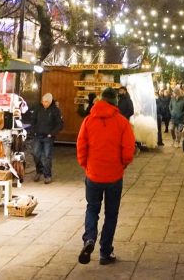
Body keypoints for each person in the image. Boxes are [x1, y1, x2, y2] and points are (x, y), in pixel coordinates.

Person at [77, 86, 136, 266]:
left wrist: (86, 165)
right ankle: (105, 251)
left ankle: (89, 239)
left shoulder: (88, 121)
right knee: (111, 213)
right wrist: (123, 164)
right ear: (115, 102)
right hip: (114, 175)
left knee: (92, 208)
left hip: (93, 174)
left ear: (101, 100)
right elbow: (128, 149)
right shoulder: (122, 122)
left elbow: (81, 146)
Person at [30, 92, 63, 183]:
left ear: (50, 101)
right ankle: (39, 171)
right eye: (43, 101)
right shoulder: (38, 108)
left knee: (47, 156)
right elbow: (33, 120)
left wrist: (52, 133)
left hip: (48, 137)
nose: (44, 103)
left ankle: (47, 175)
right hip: (37, 135)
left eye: (46, 102)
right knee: (36, 154)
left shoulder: (55, 110)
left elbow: (59, 124)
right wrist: (34, 131)